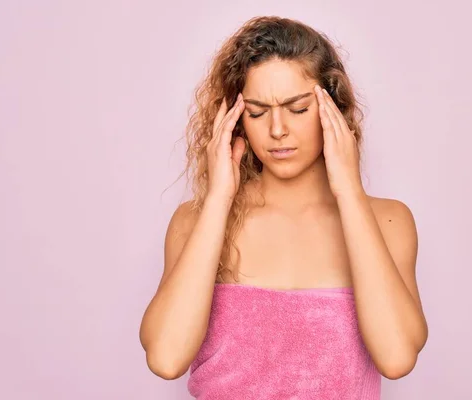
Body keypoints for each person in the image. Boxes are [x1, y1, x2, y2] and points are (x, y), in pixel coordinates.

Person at [139, 16, 428, 399]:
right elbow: (165, 358)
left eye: (297, 109)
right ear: (236, 120)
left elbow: (396, 358)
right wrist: (219, 200)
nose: (277, 130)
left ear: (333, 108)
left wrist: (349, 192)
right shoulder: (196, 221)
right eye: (257, 112)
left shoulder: (388, 221)